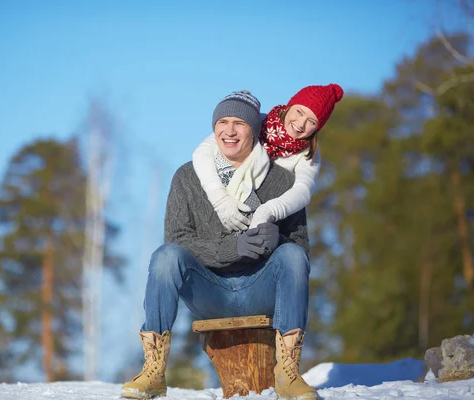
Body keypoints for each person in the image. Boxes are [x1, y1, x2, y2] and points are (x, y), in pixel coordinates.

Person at [121, 90, 326, 400]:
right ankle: (154, 370)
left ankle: (288, 373)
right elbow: (176, 239)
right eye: (223, 122)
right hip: (209, 291)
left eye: (239, 124)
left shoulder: (282, 182)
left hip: (261, 290)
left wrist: (278, 241)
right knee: (165, 257)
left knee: (293, 256)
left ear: (255, 130)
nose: (229, 131)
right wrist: (232, 249)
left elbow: (301, 251)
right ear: (214, 127)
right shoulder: (187, 177)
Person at [192, 84, 343, 232]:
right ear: (289, 106)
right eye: (299, 112)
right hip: (227, 198)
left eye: (312, 121)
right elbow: (203, 151)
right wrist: (220, 200)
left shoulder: (308, 153)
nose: (301, 123)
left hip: (267, 215)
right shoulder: (258, 122)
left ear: (317, 128)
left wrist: (268, 211)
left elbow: (303, 190)